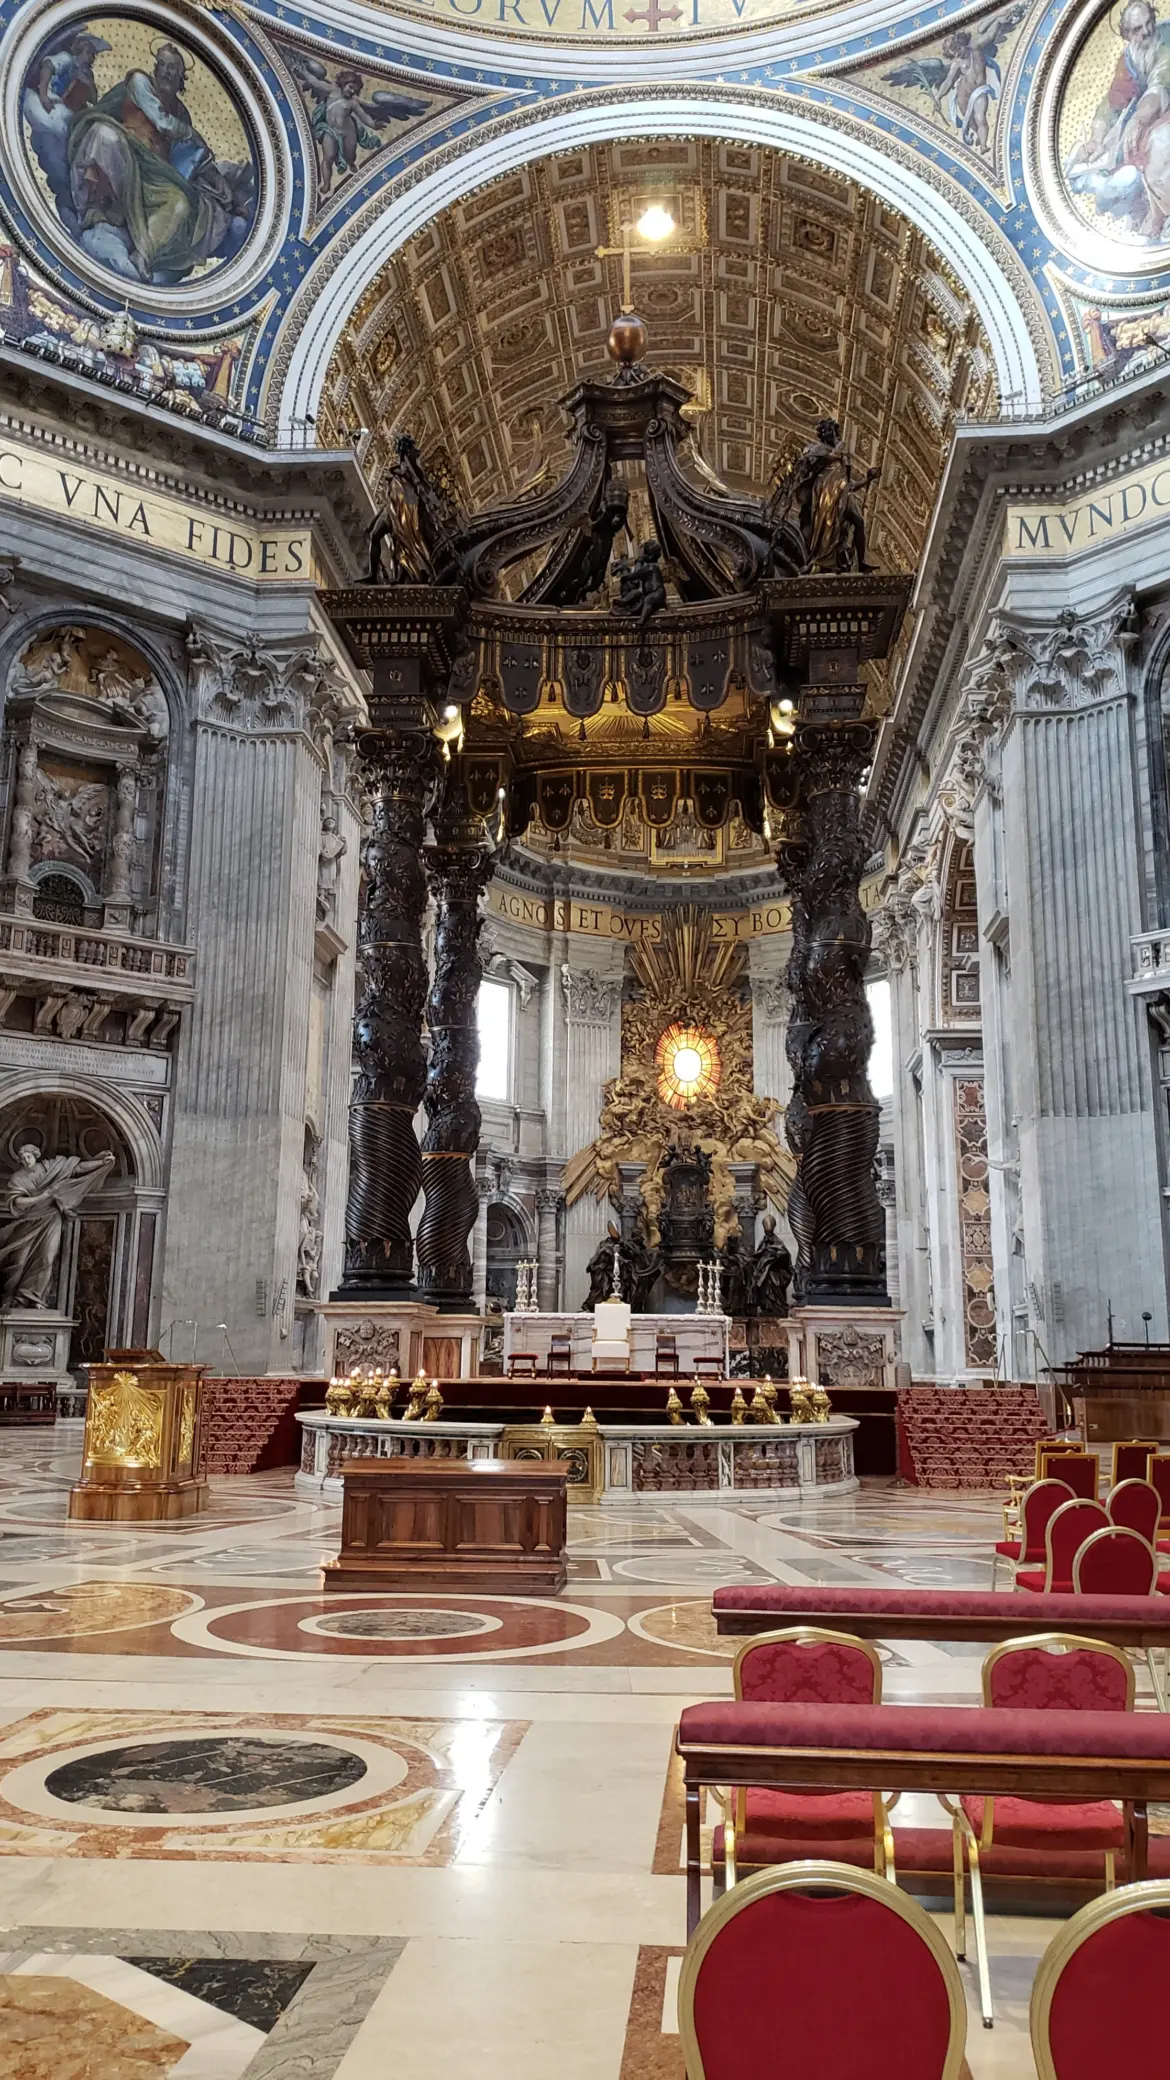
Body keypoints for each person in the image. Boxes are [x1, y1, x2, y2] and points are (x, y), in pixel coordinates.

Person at [65, 43, 254, 283]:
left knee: (180, 203)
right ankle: (99, 209)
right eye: (162, 65)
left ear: (180, 77)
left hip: (155, 173)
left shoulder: (181, 111)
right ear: (154, 68)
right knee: (104, 136)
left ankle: (143, 254)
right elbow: (163, 123)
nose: (165, 72)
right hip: (126, 154)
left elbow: (191, 157)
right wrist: (190, 133)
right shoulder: (139, 81)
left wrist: (220, 185)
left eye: (172, 68)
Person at [0, 1144, 115, 1310]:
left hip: (52, 1218)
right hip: (28, 1222)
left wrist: (101, 1162)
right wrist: (41, 1197)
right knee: (19, 1262)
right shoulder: (18, 1178)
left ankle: (33, 1298)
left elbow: (77, 1167)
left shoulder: (51, 1167)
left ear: (35, 1155)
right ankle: (12, 1298)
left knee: (47, 1257)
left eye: (29, 1157)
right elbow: (17, 1201)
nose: (27, 1161)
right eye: (23, 1158)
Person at [770, 420, 879, 573]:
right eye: (827, 431)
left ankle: (861, 562)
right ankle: (821, 559)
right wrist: (836, 453)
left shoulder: (844, 456)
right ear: (822, 434)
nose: (831, 434)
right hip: (825, 492)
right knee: (828, 525)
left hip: (843, 492)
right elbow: (808, 467)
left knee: (859, 521)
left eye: (833, 431)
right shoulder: (816, 449)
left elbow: (850, 484)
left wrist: (868, 479)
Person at [745, 1212, 794, 1320]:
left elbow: (785, 1255)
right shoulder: (764, 1241)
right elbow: (759, 1254)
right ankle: (767, 1307)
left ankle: (776, 1307)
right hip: (764, 1273)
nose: (767, 1232)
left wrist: (773, 1259)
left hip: (775, 1273)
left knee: (772, 1288)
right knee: (764, 1288)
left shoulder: (777, 1242)